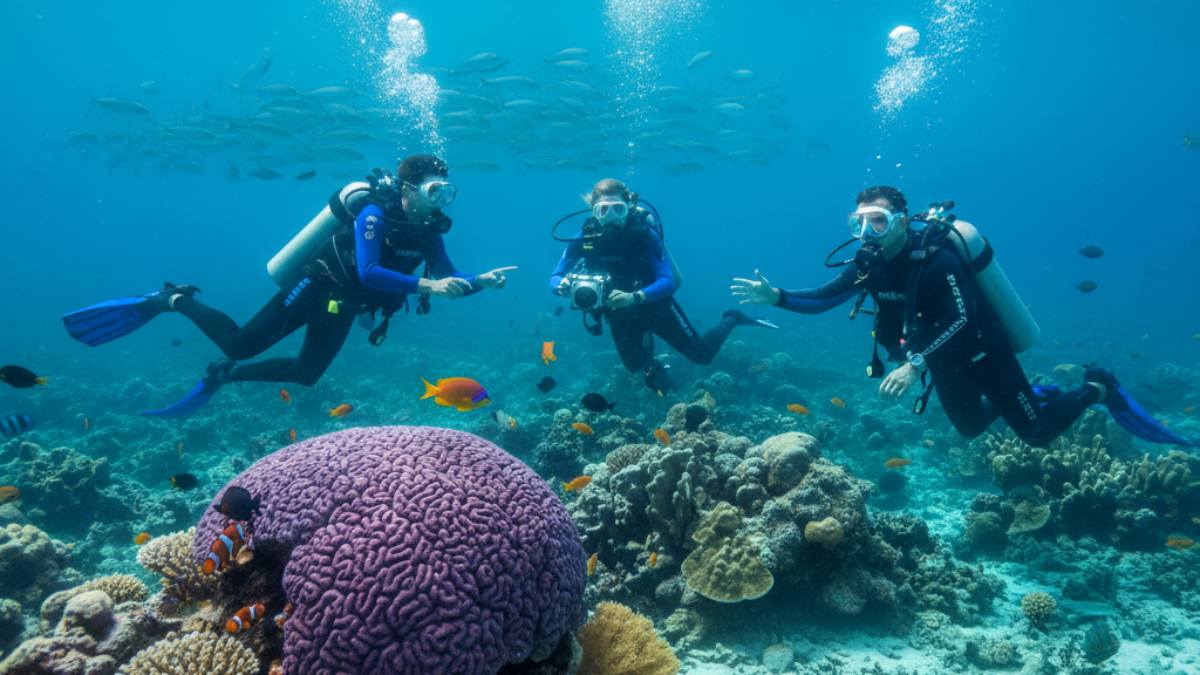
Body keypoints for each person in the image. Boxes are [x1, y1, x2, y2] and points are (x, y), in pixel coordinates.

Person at [731, 185, 1196, 447]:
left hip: (982, 352)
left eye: (878, 220)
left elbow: (962, 318)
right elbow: (824, 297)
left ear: (901, 220)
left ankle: (1097, 388)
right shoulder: (867, 262)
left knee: (1036, 432)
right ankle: (1032, 394)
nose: (867, 231)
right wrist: (777, 297)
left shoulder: (935, 258)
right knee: (971, 427)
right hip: (939, 361)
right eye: (859, 222)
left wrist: (915, 362)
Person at [63, 155, 517, 417]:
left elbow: (446, 278)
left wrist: (481, 282)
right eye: (435, 191)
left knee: (306, 374)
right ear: (410, 188)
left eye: (447, 193)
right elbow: (370, 273)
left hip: (345, 306)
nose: (440, 201)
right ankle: (174, 299)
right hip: (317, 286)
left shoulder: (430, 229)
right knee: (241, 342)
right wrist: (428, 288)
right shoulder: (374, 213)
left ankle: (224, 375)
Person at [550, 178, 775, 394]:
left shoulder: (644, 234)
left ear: (628, 207)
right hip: (618, 313)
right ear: (593, 210)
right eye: (603, 210)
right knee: (635, 366)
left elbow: (667, 280)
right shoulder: (584, 238)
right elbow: (556, 275)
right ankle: (655, 366)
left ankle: (732, 318)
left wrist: (635, 297)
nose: (610, 217)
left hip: (656, 307)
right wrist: (561, 285)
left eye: (618, 209)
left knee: (702, 355)